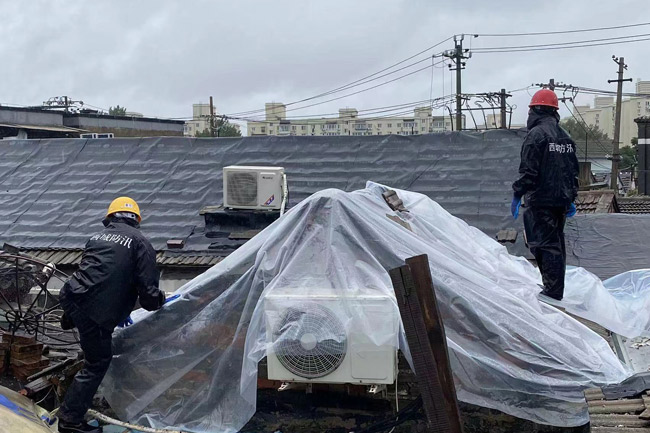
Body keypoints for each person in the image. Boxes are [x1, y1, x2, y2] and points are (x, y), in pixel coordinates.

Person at [57, 197, 165, 433]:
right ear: (136, 219)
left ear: (110, 218)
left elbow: (100, 274)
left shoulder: (96, 238)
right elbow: (148, 295)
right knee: (97, 362)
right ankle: (69, 422)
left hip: (71, 295)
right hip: (95, 311)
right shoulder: (141, 243)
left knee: (85, 324)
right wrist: (160, 301)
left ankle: (72, 317)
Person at [511, 89, 579, 302]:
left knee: (543, 245)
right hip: (560, 201)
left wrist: (517, 192)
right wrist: (570, 197)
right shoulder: (564, 136)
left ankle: (552, 292)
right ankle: (554, 287)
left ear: (535, 110)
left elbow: (529, 172)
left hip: (541, 200)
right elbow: (573, 171)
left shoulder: (536, 135)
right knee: (556, 244)